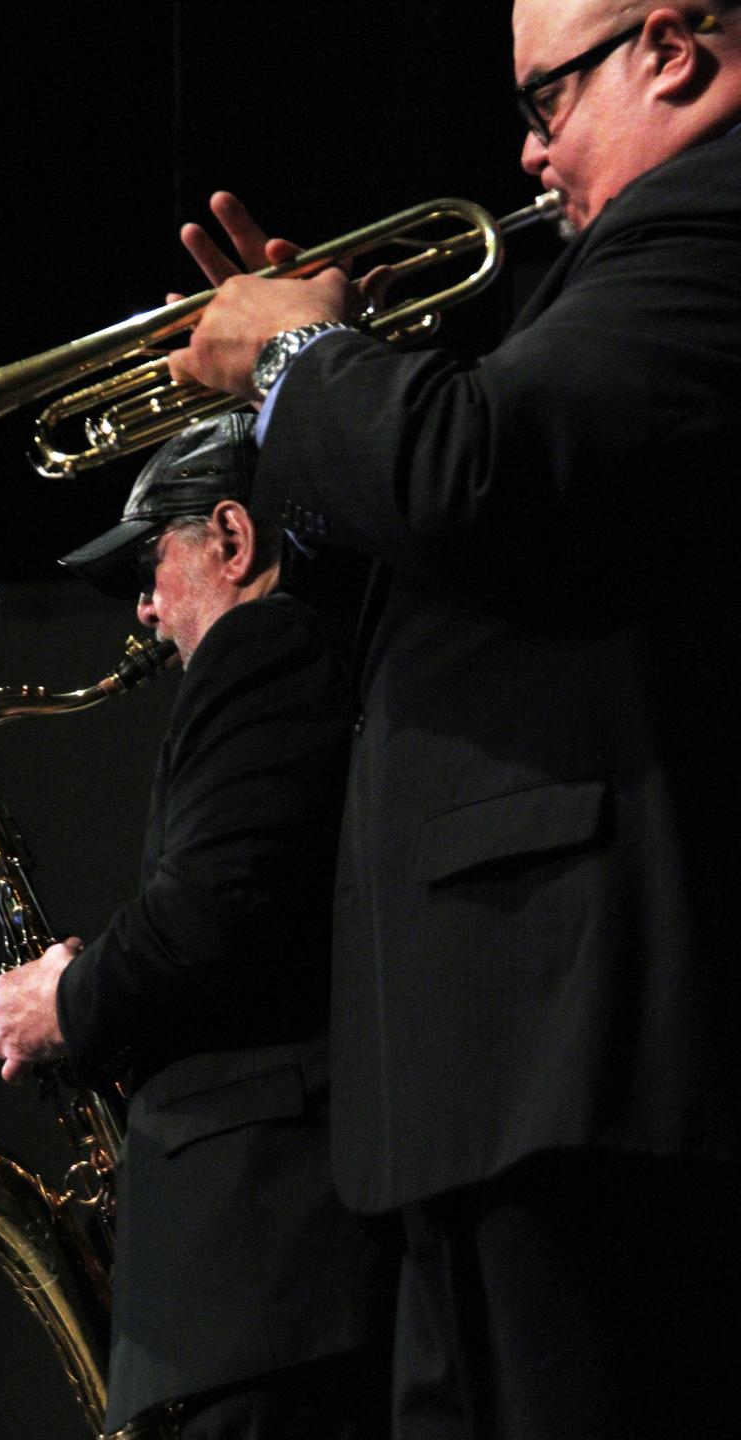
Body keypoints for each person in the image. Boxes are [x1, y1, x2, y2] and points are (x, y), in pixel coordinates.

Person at [160, 4, 741, 1438]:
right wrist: (323, 395)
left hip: (589, 1060)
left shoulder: (711, 226)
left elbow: (483, 472)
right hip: (496, 1074)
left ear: (672, 47)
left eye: (548, 100)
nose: (530, 156)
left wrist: (306, 363)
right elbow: (471, 548)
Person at [0, 412, 406, 1440]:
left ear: (231, 538)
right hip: (284, 1287)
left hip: (262, 1281)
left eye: (151, 563)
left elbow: (218, 910)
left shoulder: (262, 643)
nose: (143, 608)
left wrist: (69, 999)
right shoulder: (327, 656)